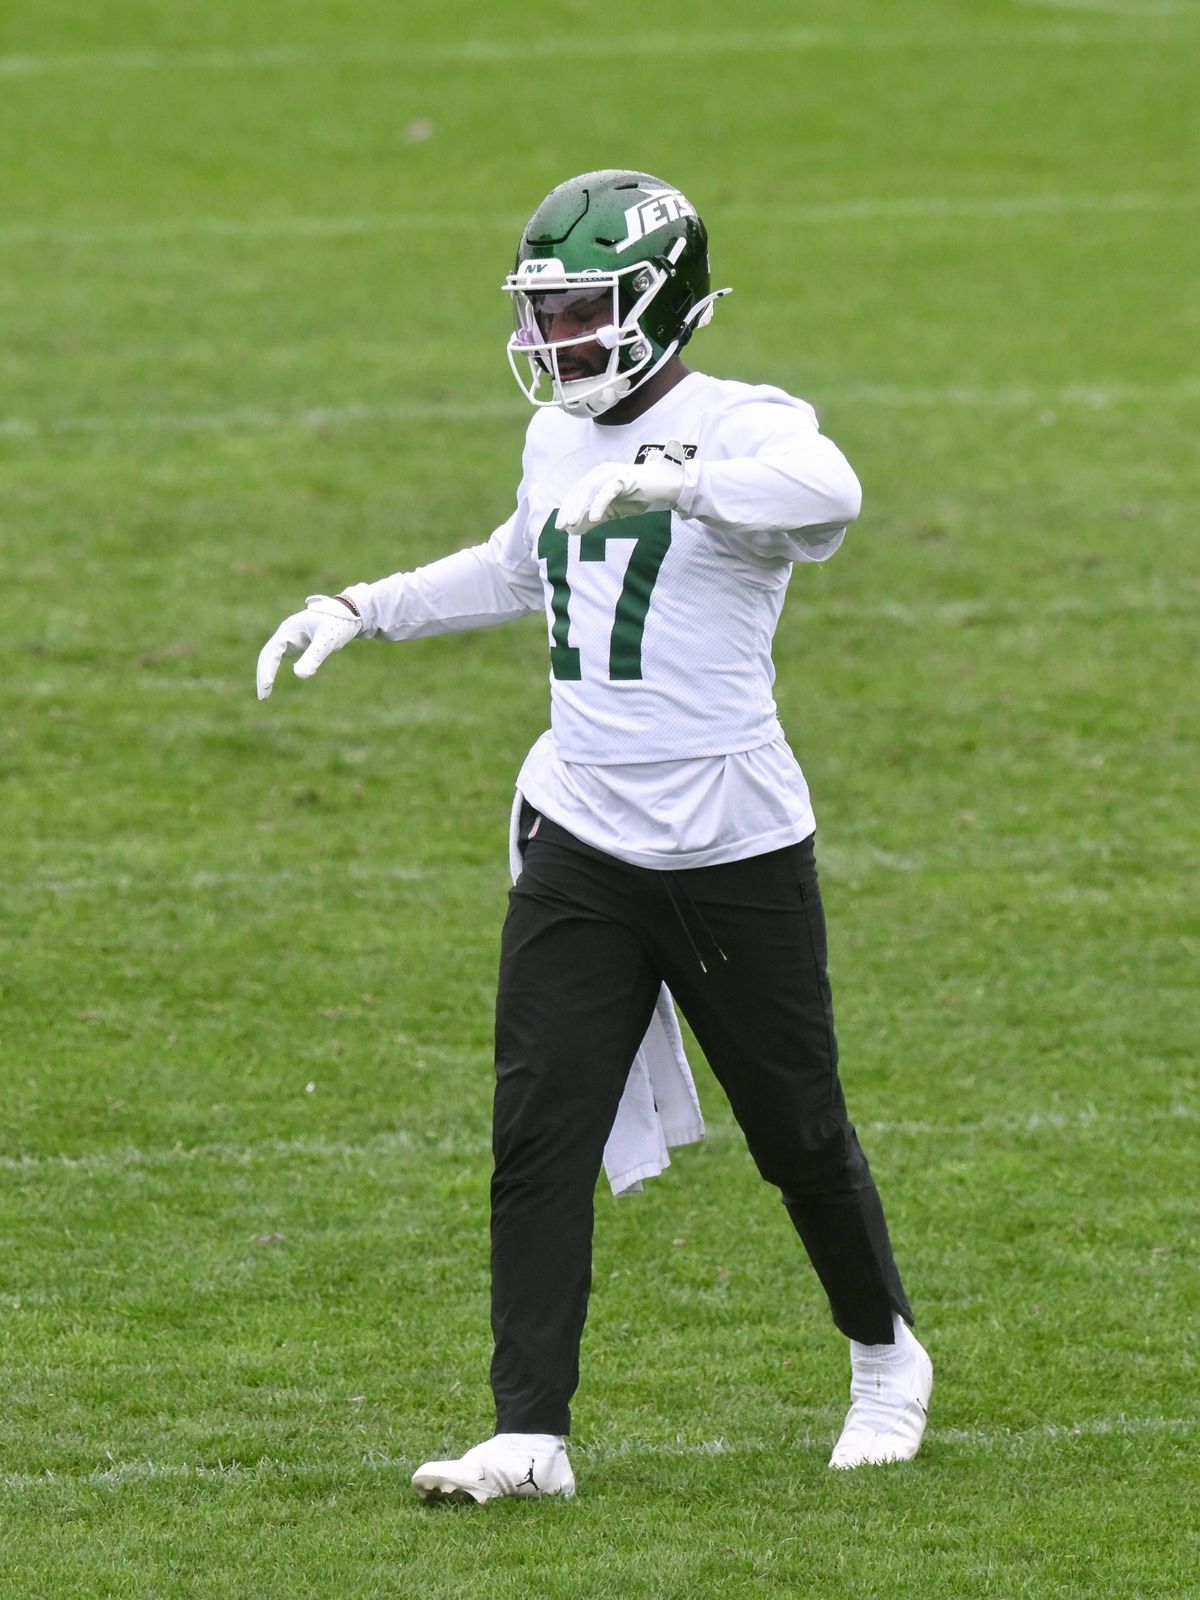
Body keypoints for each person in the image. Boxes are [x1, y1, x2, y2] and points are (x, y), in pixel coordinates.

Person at [257, 169, 933, 1503]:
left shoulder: (740, 422)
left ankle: (884, 1358)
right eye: (544, 309)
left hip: (731, 840)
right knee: (538, 1129)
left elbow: (830, 490)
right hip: (581, 830)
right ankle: (529, 1434)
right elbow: (521, 565)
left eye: (581, 309)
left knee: (797, 1131)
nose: (555, 337)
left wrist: (677, 480)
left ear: (662, 304)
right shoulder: (557, 436)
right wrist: (363, 604)